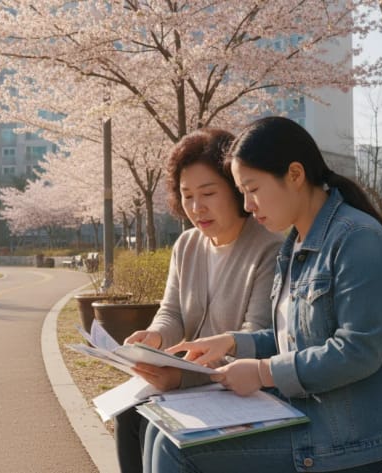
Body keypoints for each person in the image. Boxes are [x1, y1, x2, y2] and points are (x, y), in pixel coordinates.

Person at [144, 116, 382, 472]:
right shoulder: (297, 245)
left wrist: (262, 372)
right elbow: (293, 339)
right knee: (161, 428)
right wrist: (231, 343)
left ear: (294, 174)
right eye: (242, 192)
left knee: (178, 448)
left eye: (253, 189)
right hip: (312, 414)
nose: (247, 205)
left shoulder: (358, 240)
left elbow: (358, 353)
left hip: (358, 438)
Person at [114, 128, 282, 473]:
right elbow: (172, 312)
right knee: (128, 414)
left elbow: (256, 337)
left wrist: (182, 378)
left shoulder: (268, 248)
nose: (196, 207)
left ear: (236, 191)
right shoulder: (187, 245)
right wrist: (156, 337)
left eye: (208, 193)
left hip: (240, 391)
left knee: (157, 426)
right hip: (194, 384)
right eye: (186, 195)